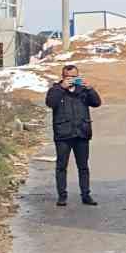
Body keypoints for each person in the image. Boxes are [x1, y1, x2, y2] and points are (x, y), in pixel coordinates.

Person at [44, 65, 101, 206]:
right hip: (63, 134)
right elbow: (50, 103)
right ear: (63, 77)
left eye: (74, 77)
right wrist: (61, 88)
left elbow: (96, 103)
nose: (71, 80)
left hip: (81, 133)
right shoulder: (55, 90)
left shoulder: (83, 91)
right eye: (68, 77)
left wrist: (90, 89)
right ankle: (62, 196)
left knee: (83, 166)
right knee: (61, 166)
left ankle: (86, 195)